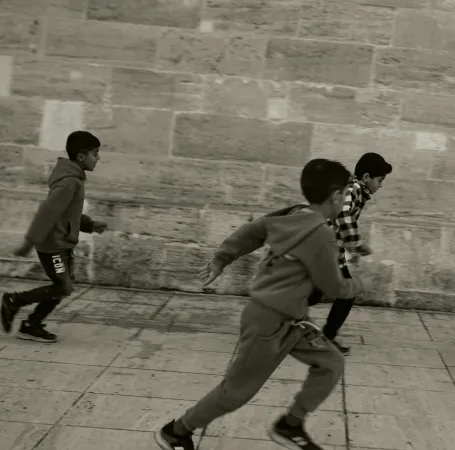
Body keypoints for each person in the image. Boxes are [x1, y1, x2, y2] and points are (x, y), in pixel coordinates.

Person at [155, 158, 364, 450]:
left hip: (293, 321)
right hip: (267, 323)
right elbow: (334, 288)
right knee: (235, 392)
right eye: (345, 193)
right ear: (336, 196)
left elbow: (252, 231)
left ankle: (290, 425)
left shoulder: (292, 214)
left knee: (331, 362)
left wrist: (222, 259)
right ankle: (176, 431)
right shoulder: (321, 235)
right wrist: (358, 283)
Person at [0, 130, 107, 343]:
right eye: (95, 153)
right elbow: (47, 212)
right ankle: (13, 301)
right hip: (53, 247)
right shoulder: (70, 182)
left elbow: (67, 213)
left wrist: (90, 225)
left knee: (64, 286)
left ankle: (32, 325)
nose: (98, 158)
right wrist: (29, 242)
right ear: (81, 156)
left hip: (62, 245)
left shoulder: (74, 180)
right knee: (63, 286)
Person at [313, 152, 392, 355]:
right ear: (366, 177)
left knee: (314, 293)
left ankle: (278, 318)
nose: (381, 185)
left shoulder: (356, 190)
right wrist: (356, 243)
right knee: (345, 293)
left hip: (330, 249)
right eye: (380, 180)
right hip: (326, 249)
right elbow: (343, 213)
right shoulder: (354, 189)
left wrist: (352, 246)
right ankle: (325, 337)